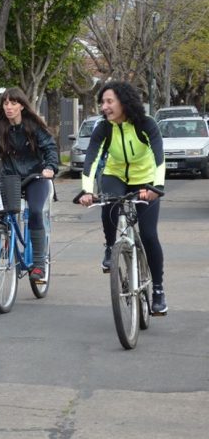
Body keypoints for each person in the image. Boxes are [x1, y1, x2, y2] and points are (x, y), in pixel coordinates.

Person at [77, 81, 167, 315]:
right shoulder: (104, 127)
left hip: (145, 179)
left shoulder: (146, 125)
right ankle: (110, 247)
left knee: (148, 234)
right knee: (108, 203)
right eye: (102, 102)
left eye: (109, 101)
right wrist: (87, 190)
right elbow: (92, 159)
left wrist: (156, 187)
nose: (104, 107)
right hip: (115, 174)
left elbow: (159, 157)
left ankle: (158, 290)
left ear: (124, 102)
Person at [0, 87, 58, 283]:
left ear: (22, 106)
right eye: (5, 103)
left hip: (35, 177)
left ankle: (39, 265)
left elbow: (50, 148)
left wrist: (50, 168)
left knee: (35, 212)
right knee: (3, 210)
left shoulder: (33, 126)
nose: (9, 107)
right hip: (10, 177)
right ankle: (5, 237)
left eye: (13, 103)